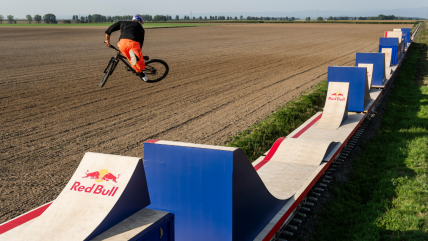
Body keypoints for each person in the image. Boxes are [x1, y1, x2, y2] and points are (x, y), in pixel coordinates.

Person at [104, 14, 148, 81]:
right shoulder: (141, 28)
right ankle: (141, 73)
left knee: (130, 60)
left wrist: (107, 41)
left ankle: (140, 72)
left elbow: (109, 30)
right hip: (133, 44)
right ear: (140, 21)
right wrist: (139, 54)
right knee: (138, 63)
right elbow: (140, 43)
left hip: (121, 43)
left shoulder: (123, 22)